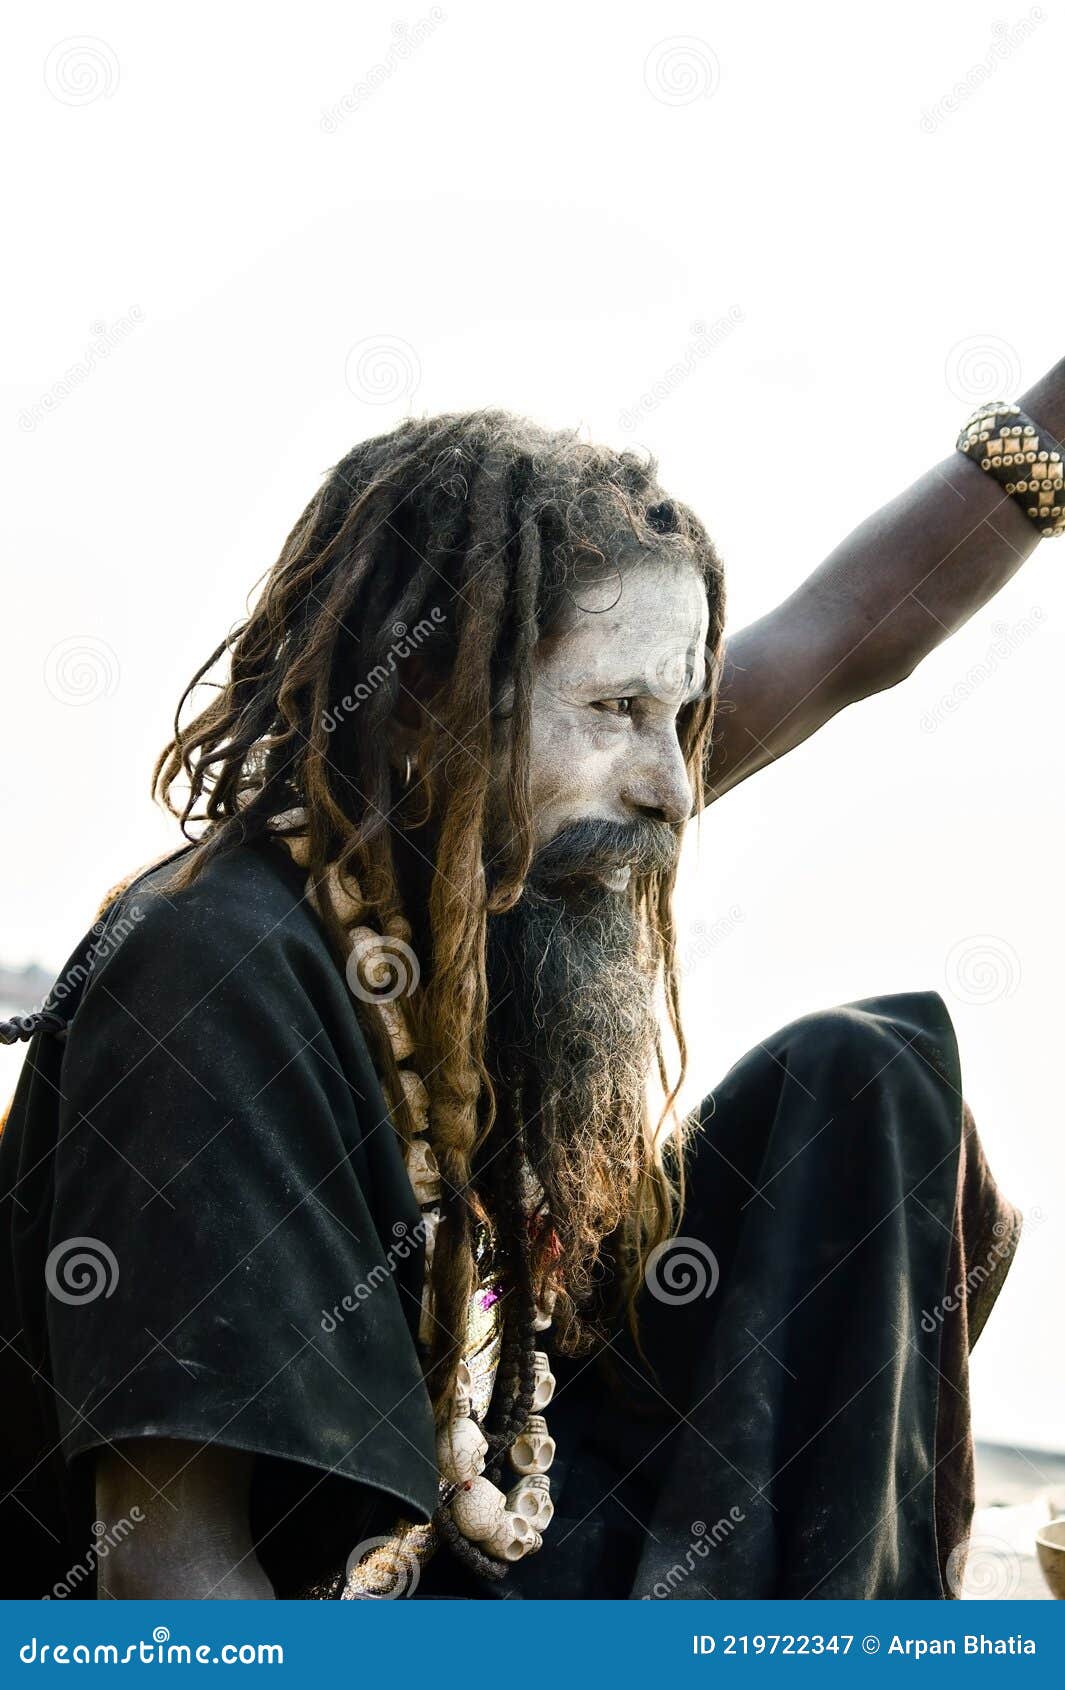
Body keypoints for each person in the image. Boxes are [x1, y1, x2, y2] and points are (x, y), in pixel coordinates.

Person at [2, 380, 1056, 1599]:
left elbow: (836, 643)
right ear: (425, 706)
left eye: (687, 716)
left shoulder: (485, 870)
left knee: (863, 1080)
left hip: (479, 1559)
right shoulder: (218, 966)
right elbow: (169, 1571)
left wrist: (1049, 435)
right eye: (618, 711)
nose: (672, 782)